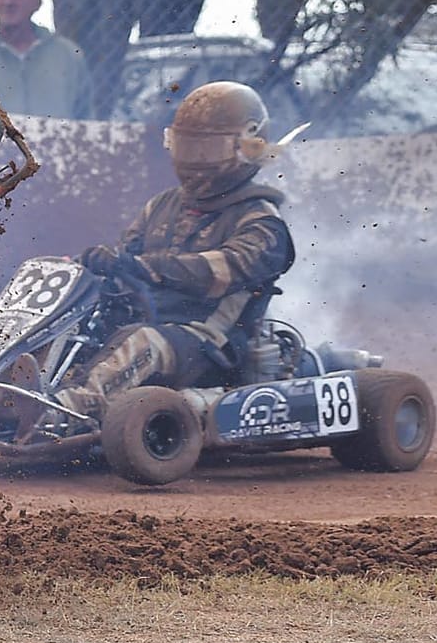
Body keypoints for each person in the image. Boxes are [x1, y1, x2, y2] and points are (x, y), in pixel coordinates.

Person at [41, 81, 295, 424]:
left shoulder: (262, 221)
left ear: (249, 148)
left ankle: (58, 414)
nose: (194, 161)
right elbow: (126, 257)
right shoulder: (163, 205)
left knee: (144, 342)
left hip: (209, 344)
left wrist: (142, 266)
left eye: (206, 151)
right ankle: (5, 394)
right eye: (187, 147)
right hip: (143, 321)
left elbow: (217, 273)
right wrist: (99, 263)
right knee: (74, 323)